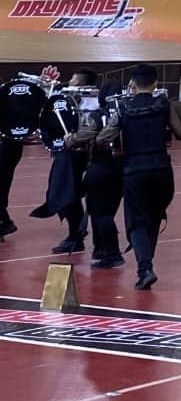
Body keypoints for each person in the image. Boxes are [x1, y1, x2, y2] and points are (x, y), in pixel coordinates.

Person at [97, 65, 181, 289]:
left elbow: (103, 138)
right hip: (162, 169)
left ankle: (144, 267)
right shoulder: (163, 104)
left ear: (133, 83)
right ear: (155, 83)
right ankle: (147, 263)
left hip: (134, 171)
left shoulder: (124, 107)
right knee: (154, 218)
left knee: (136, 221)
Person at [31, 69, 99, 254]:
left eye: (73, 81)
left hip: (79, 153)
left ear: (83, 84)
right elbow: (49, 101)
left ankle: (76, 236)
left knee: (68, 193)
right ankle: (76, 233)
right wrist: (47, 84)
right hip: (66, 152)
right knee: (65, 192)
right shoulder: (65, 98)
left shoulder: (92, 102)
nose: (69, 83)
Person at [65, 80, 125, 268]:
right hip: (123, 168)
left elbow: (86, 135)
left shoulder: (99, 115)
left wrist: (70, 139)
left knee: (100, 212)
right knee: (108, 211)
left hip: (101, 166)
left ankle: (113, 253)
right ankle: (101, 247)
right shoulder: (127, 111)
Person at [0, 138, 23, 241]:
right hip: (10, 144)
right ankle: (4, 222)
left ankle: (5, 222)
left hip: (8, 144)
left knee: (3, 184)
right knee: (3, 185)